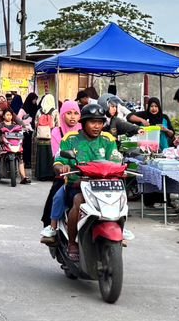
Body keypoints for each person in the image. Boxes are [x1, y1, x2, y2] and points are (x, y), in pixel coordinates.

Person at [46, 103, 122, 247]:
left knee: (120, 200)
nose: (96, 126)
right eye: (93, 122)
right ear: (84, 123)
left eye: (100, 122)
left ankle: (121, 230)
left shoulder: (108, 140)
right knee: (78, 201)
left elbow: (115, 159)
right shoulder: (70, 138)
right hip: (77, 185)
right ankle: (71, 243)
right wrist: (62, 167)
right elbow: (58, 161)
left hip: (104, 186)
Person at [38, 101, 84, 231]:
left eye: (76, 113)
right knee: (57, 198)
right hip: (65, 176)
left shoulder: (84, 132)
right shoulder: (56, 133)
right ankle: (52, 228)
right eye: (69, 113)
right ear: (62, 115)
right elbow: (57, 155)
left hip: (87, 175)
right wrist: (64, 166)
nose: (73, 117)